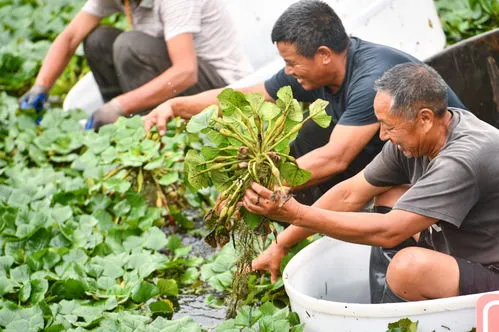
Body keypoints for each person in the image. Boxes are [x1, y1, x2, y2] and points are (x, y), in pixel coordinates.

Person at [144, 0, 464, 206]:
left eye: (292, 62)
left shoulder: (373, 82)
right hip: (397, 152)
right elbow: (248, 96)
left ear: (323, 54)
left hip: (445, 166)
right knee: (308, 135)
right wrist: (175, 107)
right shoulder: (311, 73)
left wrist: (256, 185)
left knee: (383, 200)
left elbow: (335, 158)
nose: (287, 71)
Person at [243, 63, 499, 302]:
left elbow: (389, 231)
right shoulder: (417, 136)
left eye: (389, 126)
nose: (382, 135)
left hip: (492, 272)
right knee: (390, 197)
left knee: (408, 267)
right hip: (467, 246)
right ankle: (388, 304)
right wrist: (282, 244)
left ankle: (391, 317)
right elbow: (349, 194)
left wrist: (296, 213)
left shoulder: (464, 157)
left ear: (424, 118)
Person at [19, 0, 251, 130]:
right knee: (98, 40)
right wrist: (41, 87)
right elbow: (70, 37)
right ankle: (118, 128)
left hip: (220, 88)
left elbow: (186, 72)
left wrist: (118, 105)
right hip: (172, 71)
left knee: (129, 45)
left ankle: (145, 126)